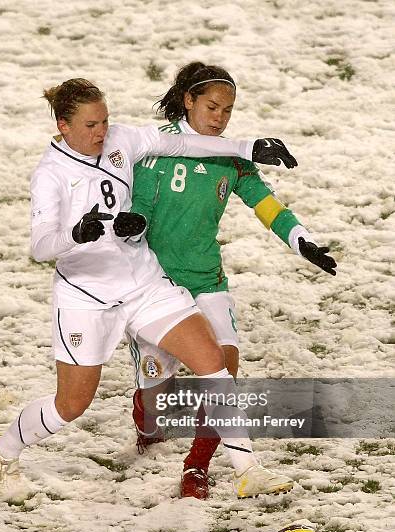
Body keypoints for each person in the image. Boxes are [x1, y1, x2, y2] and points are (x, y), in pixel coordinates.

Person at [0, 77, 299, 500]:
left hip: (143, 282)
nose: (101, 132)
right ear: (64, 126)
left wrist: (245, 147)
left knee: (212, 361)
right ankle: (3, 450)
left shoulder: (120, 140)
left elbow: (184, 144)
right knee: (71, 405)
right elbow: (41, 246)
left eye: (105, 121)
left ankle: (247, 468)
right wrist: (77, 235)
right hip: (87, 297)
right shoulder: (50, 175)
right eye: (91, 125)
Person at [129, 62, 337, 499]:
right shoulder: (154, 148)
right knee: (155, 396)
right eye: (212, 107)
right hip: (155, 285)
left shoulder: (231, 157)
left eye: (228, 110)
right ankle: (146, 419)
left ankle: (197, 466)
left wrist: (302, 240)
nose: (220, 118)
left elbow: (263, 201)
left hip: (207, 278)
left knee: (223, 367)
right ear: (188, 101)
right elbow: (140, 212)